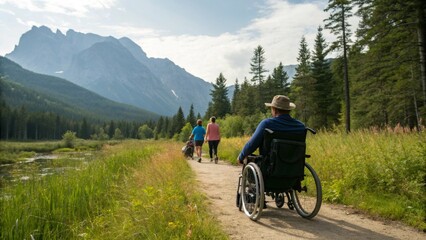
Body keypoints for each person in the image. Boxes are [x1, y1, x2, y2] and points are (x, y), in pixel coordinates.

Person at [237, 95, 305, 164]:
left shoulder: (267, 124)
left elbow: (252, 144)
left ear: (274, 109)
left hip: (269, 166)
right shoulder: (301, 126)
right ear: (289, 110)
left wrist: (241, 157)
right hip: (294, 166)